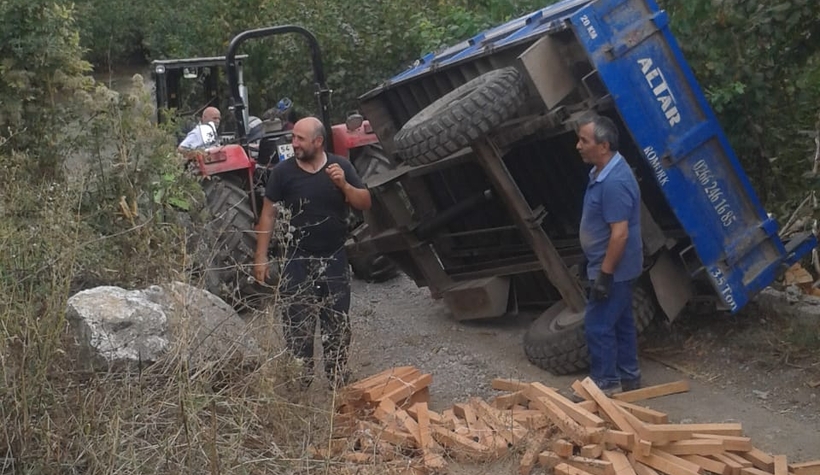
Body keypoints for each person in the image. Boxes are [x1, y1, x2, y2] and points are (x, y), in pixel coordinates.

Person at [253, 116, 372, 389]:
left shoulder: (340, 166)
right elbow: (268, 215)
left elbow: (365, 202)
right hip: (297, 259)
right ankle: (299, 379)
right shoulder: (282, 173)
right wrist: (260, 257)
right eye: (293, 137)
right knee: (297, 322)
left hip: (334, 257)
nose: (293, 143)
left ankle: (337, 376)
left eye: (300, 139)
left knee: (337, 321)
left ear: (318, 142)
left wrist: (344, 185)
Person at [575, 113, 643, 395]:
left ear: (603, 146)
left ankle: (605, 383)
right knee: (622, 321)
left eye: (583, 140)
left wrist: (604, 274)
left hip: (615, 269)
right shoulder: (601, 173)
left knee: (598, 325)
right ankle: (628, 375)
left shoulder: (614, 182)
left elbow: (620, 234)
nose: (578, 146)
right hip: (610, 265)